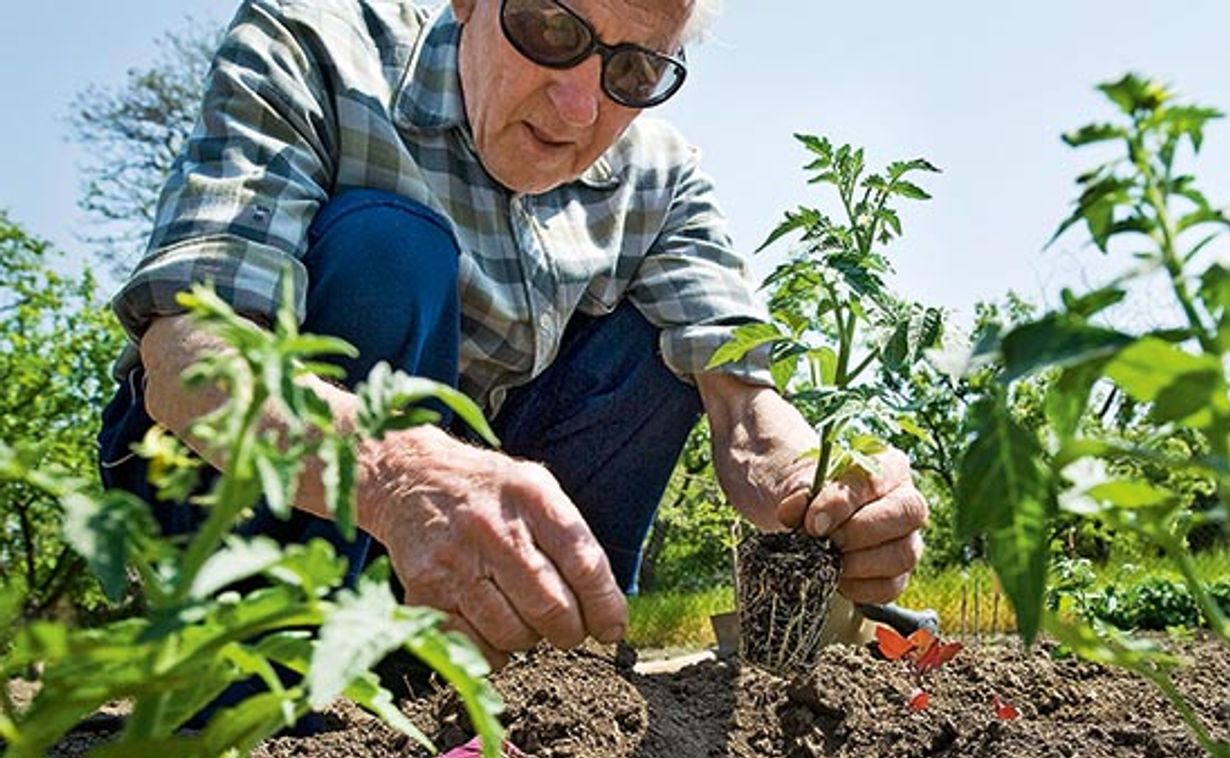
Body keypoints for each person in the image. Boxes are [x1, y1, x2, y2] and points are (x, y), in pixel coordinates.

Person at [98, 0, 929, 669]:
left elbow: (740, 387)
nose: (578, 106)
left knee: (668, 340)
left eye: (634, 70)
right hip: (253, 482)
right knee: (389, 246)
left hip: (466, 504)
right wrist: (393, 474)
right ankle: (264, 654)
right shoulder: (315, 43)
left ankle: (541, 655)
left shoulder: (660, 172)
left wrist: (807, 478)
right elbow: (187, 357)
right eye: (548, 28)